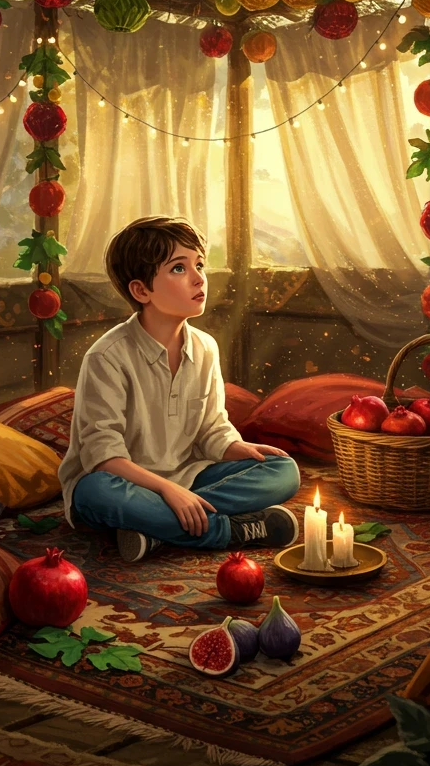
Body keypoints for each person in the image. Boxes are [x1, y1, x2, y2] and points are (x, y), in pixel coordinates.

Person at [58, 215, 301, 562]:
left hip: (190, 478)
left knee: (283, 470)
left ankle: (158, 530)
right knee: (94, 493)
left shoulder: (205, 348)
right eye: (178, 269)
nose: (199, 278)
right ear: (142, 290)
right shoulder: (107, 357)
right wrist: (164, 489)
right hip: (122, 483)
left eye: (199, 264)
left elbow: (211, 429)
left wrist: (237, 448)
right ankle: (226, 531)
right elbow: (103, 457)